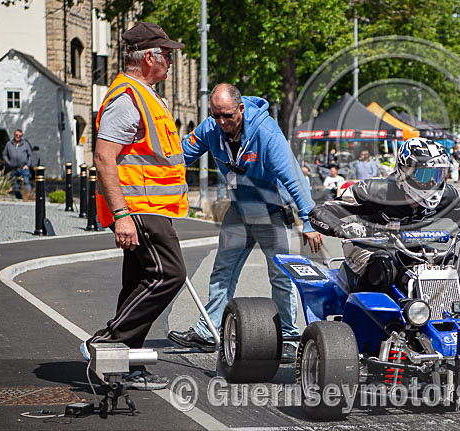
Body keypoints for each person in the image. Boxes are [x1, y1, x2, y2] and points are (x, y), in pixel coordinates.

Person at [168, 84, 323, 358]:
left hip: (271, 211)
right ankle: (209, 331)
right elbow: (179, 157)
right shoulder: (210, 128)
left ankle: (288, 336)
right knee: (221, 272)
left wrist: (308, 221)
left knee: (281, 275)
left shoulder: (266, 132)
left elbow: (293, 177)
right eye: (216, 115)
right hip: (239, 210)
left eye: (227, 115)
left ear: (240, 108)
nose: (222, 122)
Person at [83, 22, 187, 391]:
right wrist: (122, 216)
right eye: (167, 54)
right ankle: (107, 342)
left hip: (152, 209)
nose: (171, 61)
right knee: (168, 275)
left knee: (138, 282)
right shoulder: (127, 99)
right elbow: (103, 157)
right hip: (139, 209)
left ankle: (124, 364)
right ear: (148, 58)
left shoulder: (145, 94)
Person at [309, 137, 460, 293]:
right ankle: (368, 322)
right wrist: (344, 228)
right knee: (382, 269)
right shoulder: (373, 191)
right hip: (366, 245)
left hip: (409, 246)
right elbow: (319, 212)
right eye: (424, 174)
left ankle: (447, 315)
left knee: (454, 266)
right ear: (404, 171)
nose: (431, 181)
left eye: (438, 174)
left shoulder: (447, 195)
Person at [2, 129, 32, 198]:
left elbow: (30, 155)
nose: (18, 136)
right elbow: (4, 154)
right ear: (14, 135)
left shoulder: (25, 144)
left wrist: (27, 165)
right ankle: (19, 198)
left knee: (26, 182)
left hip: (23, 168)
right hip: (13, 169)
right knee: (15, 185)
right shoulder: (9, 144)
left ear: (21, 136)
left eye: (19, 135)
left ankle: (28, 197)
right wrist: (8, 163)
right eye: (16, 135)